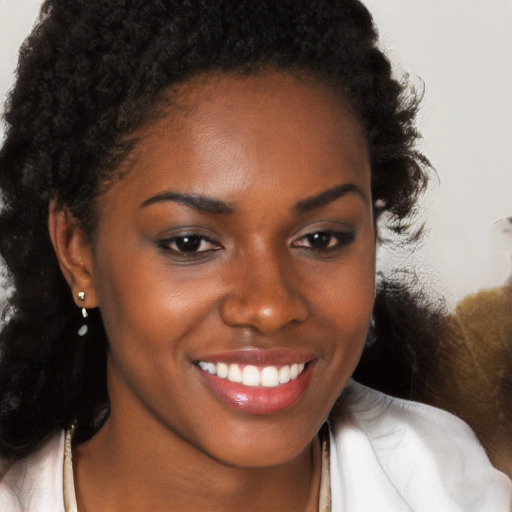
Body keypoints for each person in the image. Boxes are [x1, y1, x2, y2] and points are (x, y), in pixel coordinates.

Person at [0, 1, 510, 511]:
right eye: (190, 243)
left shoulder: (449, 487)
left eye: (321, 238)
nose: (270, 307)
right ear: (78, 251)